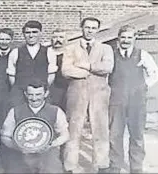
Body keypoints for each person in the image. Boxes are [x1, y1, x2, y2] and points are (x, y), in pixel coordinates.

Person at [62, 17, 114, 173]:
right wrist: (88, 72)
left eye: (93, 28)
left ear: (97, 30)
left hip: (99, 93)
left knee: (101, 129)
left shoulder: (105, 48)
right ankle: (70, 166)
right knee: (73, 129)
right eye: (87, 27)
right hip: (77, 92)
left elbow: (108, 67)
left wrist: (88, 65)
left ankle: (102, 164)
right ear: (81, 28)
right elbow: (66, 70)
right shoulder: (71, 48)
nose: (90, 30)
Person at [108, 25, 158, 173]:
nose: (126, 40)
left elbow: (155, 73)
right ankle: (115, 166)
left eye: (129, 37)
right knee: (114, 135)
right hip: (116, 102)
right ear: (118, 39)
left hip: (137, 103)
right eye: (123, 37)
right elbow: (105, 76)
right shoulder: (111, 55)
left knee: (137, 135)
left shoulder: (142, 54)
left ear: (134, 38)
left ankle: (136, 167)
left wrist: (144, 86)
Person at [0, 78, 69, 173]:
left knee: (53, 170)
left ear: (46, 93)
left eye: (38, 94)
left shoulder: (56, 111)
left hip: (47, 154)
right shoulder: (14, 111)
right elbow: (5, 136)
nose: (34, 98)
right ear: (25, 94)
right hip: (22, 154)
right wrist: (17, 147)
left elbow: (65, 135)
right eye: (31, 94)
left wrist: (51, 145)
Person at [6, 20, 58, 107]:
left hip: (41, 95)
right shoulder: (15, 52)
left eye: (34, 32)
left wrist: (41, 91)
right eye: (27, 32)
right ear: (24, 34)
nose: (31, 35)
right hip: (20, 94)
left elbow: (51, 75)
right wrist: (19, 90)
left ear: (40, 33)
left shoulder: (49, 52)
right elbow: (11, 76)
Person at [0, 28, 14, 131]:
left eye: (7, 39)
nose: (4, 42)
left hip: (9, 92)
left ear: (11, 40)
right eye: (1, 39)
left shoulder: (15, 55)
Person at [48, 29, 69, 112]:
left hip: (66, 87)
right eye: (55, 37)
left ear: (66, 39)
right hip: (50, 87)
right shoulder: (46, 53)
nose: (58, 40)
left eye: (61, 37)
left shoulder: (70, 53)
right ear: (51, 39)